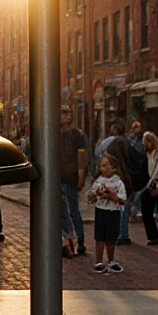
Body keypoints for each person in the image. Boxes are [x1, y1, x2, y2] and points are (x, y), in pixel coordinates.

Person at [87, 155, 127, 273]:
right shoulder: (98, 181)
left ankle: (111, 260)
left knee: (111, 237)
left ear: (113, 168)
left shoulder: (118, 182)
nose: (102, 168)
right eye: (101, 166)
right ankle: (99, 261)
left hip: (113, 212)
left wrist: (110, 195)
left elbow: (122, 200)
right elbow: (91, 196)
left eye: (105, 165)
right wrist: (95, 195)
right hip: (101, 210)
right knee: (99, 236)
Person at [60, 106, 89, 257]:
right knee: (61, 212)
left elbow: (82, 157)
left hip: (71, 179)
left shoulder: (78, 135)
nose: (61, 117)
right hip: (59, 179)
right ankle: (68, 241)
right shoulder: (54, 135)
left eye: (64, 114)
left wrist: (81, 177)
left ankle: (80, 240)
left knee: (74, 211)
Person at [118, 121, 146, 246]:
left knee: (127, 203)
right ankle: (123, 232)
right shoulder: (128, 140)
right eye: (133, 127)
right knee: (125, 204)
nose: (135, 129)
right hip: (129, 176)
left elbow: (141, 156)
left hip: (134, 176)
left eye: (137, 127)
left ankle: (124, 233)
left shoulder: (142, 140)